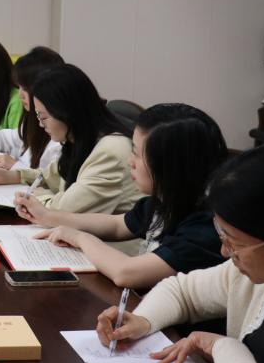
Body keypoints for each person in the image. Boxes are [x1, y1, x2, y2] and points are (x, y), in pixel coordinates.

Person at [95, 136, 264, 363]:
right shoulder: (252, 276)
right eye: (221, 235)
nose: (225, 252)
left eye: (235, 243)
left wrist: (219, 345)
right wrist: (142, 320)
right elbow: (183, 291)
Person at [15, 103, 226, 288]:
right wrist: (47, 216)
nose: (129, 161)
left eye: (137, 154)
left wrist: (79, 238)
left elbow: (126, 273)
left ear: (172, 166)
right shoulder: (164, 201)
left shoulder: (205, 227)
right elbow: (116, 225)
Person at [0, 63, 140, 215]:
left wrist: (34, 194)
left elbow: (64, 210)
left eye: (43, 117)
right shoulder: (81, 139)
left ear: (67, 112)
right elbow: (50, 176)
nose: (40, 124)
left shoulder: (110, 151)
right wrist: (4, 176)